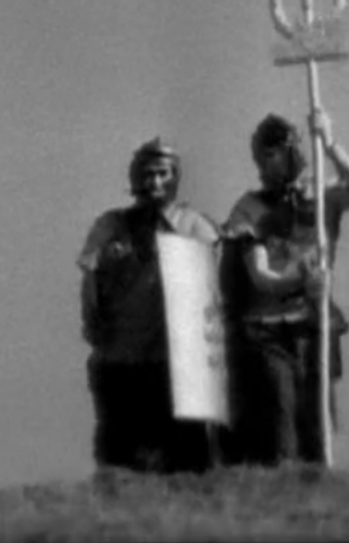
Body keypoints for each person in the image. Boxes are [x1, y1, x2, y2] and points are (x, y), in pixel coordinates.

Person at [221, 108, 349, 465]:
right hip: (270, 328)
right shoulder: (250, 208)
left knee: (318, 418)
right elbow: (260, 275)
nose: (268, 164)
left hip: (315, 322)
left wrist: (331, 142)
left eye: (276, 153)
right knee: (281, 415)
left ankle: (318, 500)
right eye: (264, 155)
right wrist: (301, 281)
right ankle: (283, 487)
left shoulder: (319, 194)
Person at [76, 137, 220, 474]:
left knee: (186, 460)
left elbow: (214, 290)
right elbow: (89, 279)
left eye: (162, 173)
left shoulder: (195, 226)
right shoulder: (111, 225)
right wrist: (93, 323)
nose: (154, 182)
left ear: (175, 177)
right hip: (120, 357)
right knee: (120, 458)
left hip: (175, 362)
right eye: (147, 174)